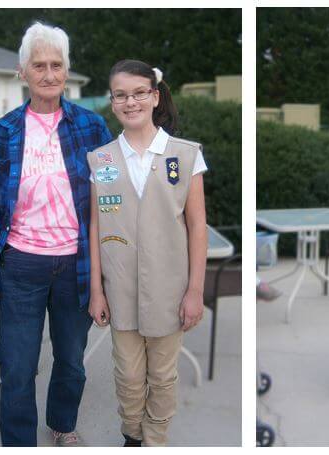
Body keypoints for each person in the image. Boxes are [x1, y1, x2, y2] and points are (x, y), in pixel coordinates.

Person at [0, 22, 112, 447]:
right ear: (22, 72)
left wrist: (106, 275)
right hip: (20, 263)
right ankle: (17, 441)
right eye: (39, 65)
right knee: (17, 364)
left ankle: (62, 423)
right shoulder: (4, 131)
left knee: (71, 360)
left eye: (57, 65)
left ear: (67, 71)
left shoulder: (92, 128)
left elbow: (109, 203)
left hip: (76, 265)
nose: (48, 74)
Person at [87, 60, 207, 447]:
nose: (130, 101)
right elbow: (95, 227)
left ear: (155, 97)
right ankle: (132, 434)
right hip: (119, 287)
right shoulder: (101, 159)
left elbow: (196, 226)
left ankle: (155, 438)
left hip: (169, 290)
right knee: (128, 374)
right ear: (112, 102)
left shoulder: (185, 156)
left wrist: (194, 291)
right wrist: (96, 290)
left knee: (163, 375)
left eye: (139, 92)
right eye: (121, 95)